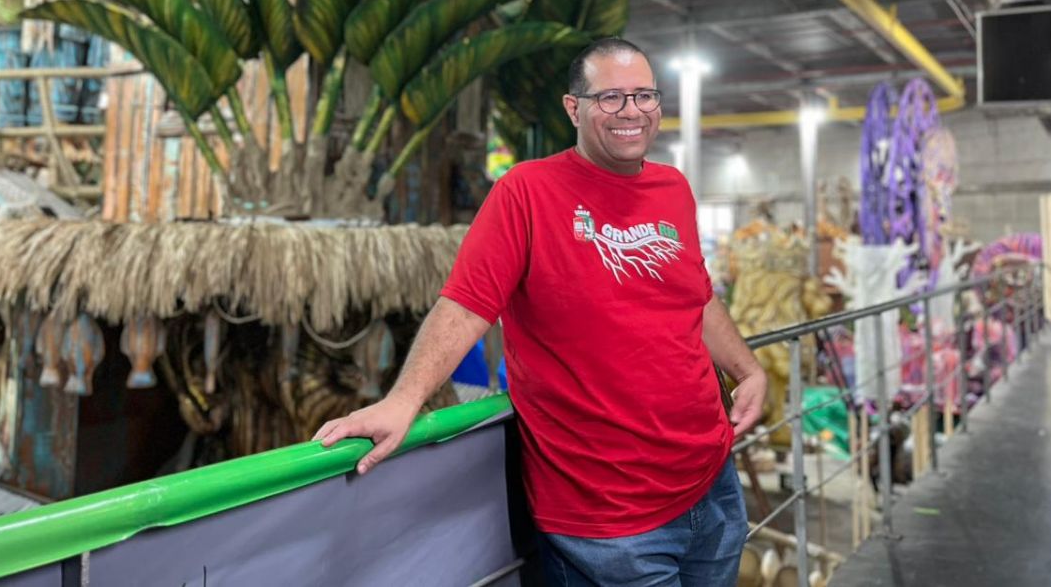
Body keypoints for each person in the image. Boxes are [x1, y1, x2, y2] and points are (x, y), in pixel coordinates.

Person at [315, 38, 767, 586]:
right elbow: (466, 304)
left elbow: (696, 294)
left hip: (711, 481)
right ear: (573, 108)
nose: (631, 111)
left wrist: (747, 369)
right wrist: (404, 400)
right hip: (608, 514)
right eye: (611, 97)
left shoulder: (672, 187)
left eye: (644, 95)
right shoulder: (527, 191)